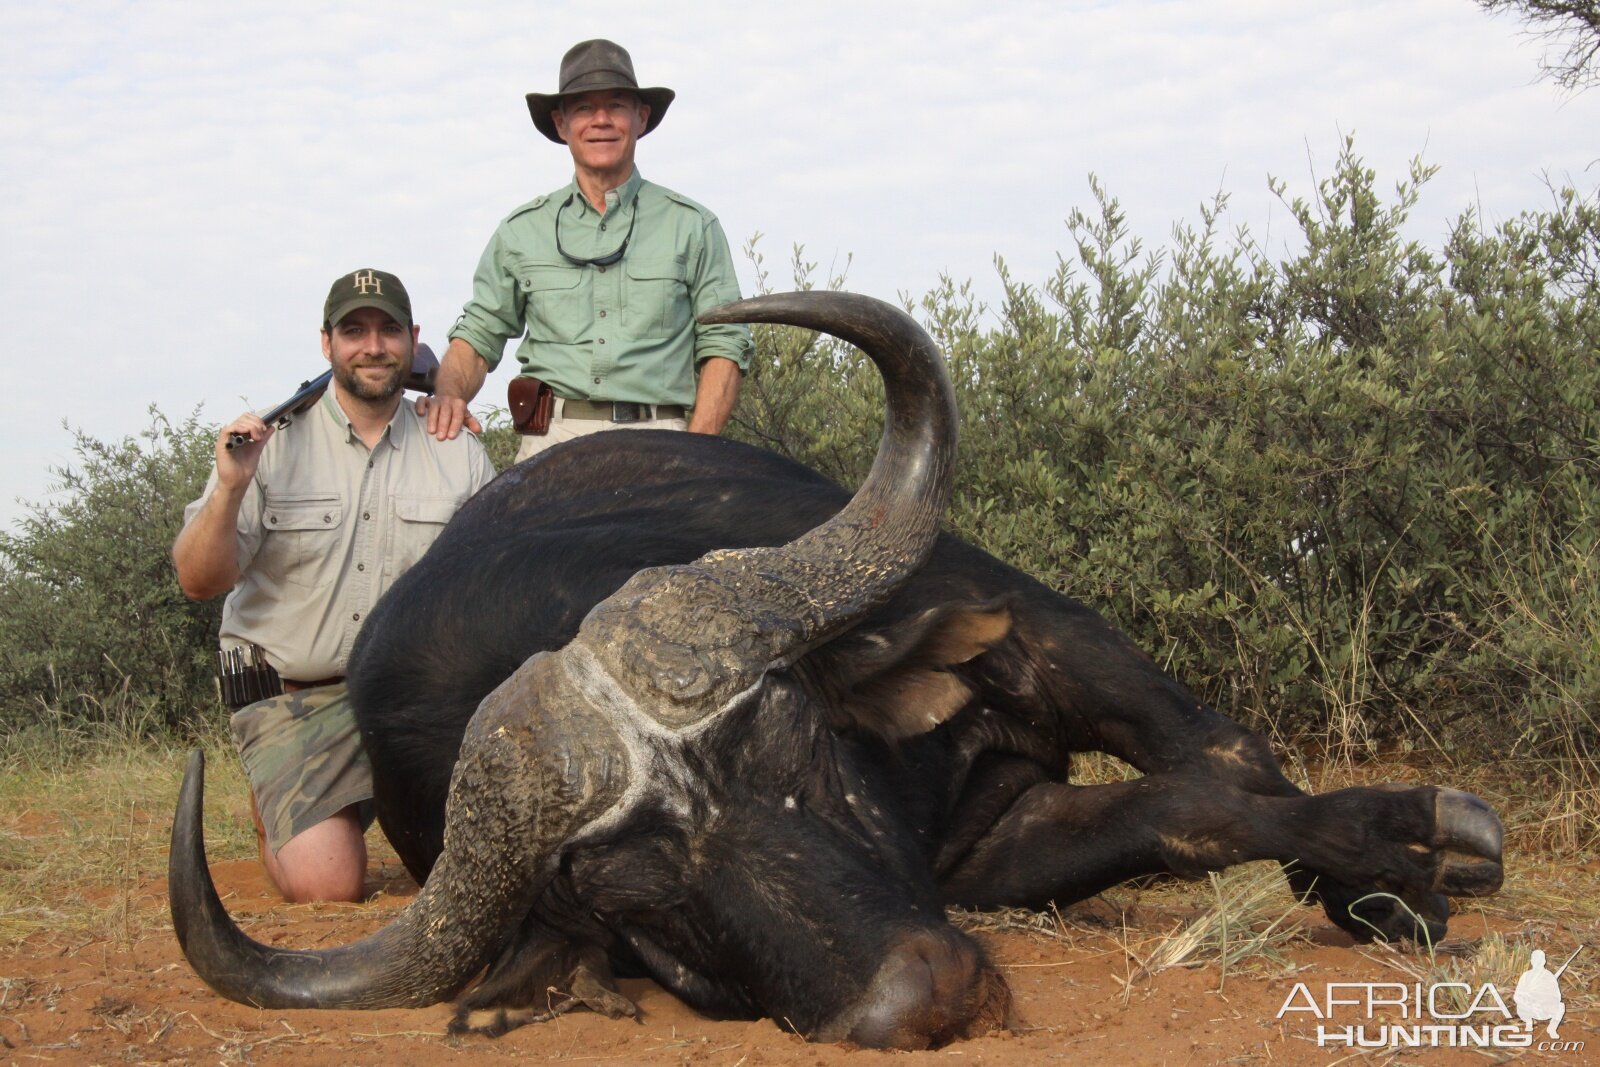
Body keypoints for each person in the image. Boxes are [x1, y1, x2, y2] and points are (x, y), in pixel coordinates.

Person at [173, 268, 495, 903]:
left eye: (388, 331)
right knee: (331, 887)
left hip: (412, 701)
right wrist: (232, 485)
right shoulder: (268, 443)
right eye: (354, 331)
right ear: (327, 344)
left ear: (413, 340)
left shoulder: (456, 448)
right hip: (297, 696)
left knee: (483, 862)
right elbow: (197, 580)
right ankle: (280, 803)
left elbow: (490, 592)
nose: (372, 346)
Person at [423, 39, 754, 461]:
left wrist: (695, 452)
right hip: (551, 444)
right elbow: (478, 334)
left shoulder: (693, 226)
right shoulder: (520, 231)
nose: (601, 121)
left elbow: (724, 342)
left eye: (616, 106)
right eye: (583, 108)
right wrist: (450, 395)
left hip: (662, 441)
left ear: (641, 117)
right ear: (561, 124)